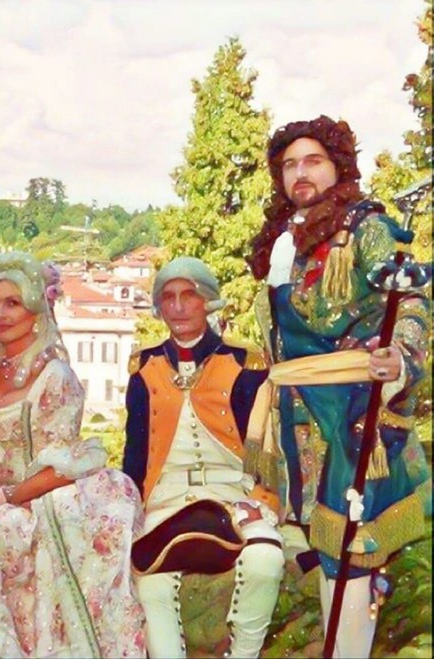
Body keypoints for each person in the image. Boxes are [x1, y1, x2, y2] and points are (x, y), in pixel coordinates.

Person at [248, 115, 431, 657]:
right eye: (289, 165)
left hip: (353, 411)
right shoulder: (285, 240)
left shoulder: (365, 228)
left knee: (351, 550)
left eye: (313, 161)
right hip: (298, 416)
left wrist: (399, 356)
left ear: (338, 166)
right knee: (328, 552)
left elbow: (410, 300)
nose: (299, 173)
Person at [0, 252, 146, 657]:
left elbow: (62, 469)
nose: (1, 314)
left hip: (38, 502)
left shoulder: (54, 376)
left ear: (35, 308)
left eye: (13, 303)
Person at [123, 257, 284, 658]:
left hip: (233, 495)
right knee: (151, 585)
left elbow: (267, 448)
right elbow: (134, 456)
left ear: (208, 301)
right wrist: (131, 512)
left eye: (188, 295)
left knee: (265, 560)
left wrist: (262, 500)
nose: (178, 307)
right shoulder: (144, 369)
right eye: (168, 297)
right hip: (167, 501)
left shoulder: (245, 363)